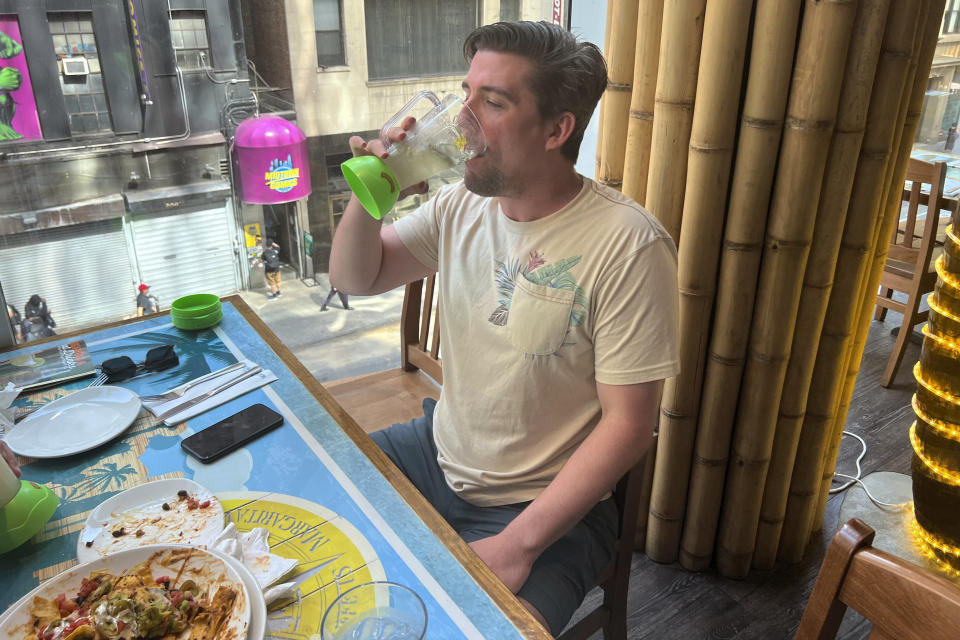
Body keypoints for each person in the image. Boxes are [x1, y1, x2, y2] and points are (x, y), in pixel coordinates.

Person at [329, 21, 679, 634]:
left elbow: (630, 426)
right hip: (438, 451)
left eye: (492, 103)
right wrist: (373, 192)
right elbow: (358, 276)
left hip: (545, 504)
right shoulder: (464, 205)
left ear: (556, 129)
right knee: (313, 512)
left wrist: (519, 544)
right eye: (466, 95)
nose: (463, 119)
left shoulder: (627, 245)